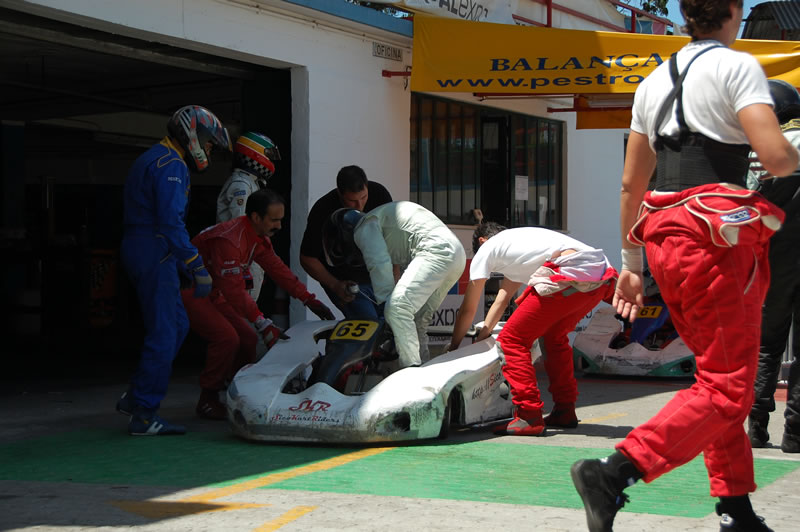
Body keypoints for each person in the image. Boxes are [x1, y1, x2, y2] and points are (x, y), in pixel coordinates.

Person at [570, 2, 800, 531]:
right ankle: (614, 471)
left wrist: (631, 263)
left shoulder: (653, 81)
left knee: (715, 384)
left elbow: (632, 184)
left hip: (665, 239)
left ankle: (736, 509)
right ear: (735, 12)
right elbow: (778, 155)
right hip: (715, 240)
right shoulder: (735, 66)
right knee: (727, 388)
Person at [117, 105, 231, 435]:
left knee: (178, 324)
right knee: (165, 333)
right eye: (210, 143)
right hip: (154, 249)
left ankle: (136, 397)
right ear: (194, 136)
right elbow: (170, 222)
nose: (209, 150)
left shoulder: (154, 156)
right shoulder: (172, 165)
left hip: (145, 247)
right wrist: (196, 265)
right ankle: (144, 415)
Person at [448, 222, 616, 436]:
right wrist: (484, 334)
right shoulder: (519, 245)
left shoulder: (488, 249)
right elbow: (502, 300)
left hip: (571, 270)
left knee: (512, 341)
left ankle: (529, 416)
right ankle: (565, 410)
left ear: (482, 241)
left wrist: (454, 347)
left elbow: (468, 309)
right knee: (554, 336)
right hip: (601, 276)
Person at [182, 188, 335, 419]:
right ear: (256, 217)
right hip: (190, 291)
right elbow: (234, 291)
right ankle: (208, 398)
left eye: (281, 219)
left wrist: (309, 299)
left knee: (248, 338)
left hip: (214, 292)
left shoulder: (256, 237)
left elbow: (277, 269)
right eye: (274, 220)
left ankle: (237, 393)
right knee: (227, 338)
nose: (279, 226)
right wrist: (263, 323)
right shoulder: (229, 240)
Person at [323, 201, 466, 368]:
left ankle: (411, 374)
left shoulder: (364, 227)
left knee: (397, 309)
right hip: (456, 254)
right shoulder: (383, 219)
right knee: (417, 318)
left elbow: (379, 262)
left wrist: (386, 305)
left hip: (435, 251)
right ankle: (425, 371)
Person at [747, 79, 800, 454]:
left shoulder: (761, 151)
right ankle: (795, 433)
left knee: (766, 344)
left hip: (773, 259)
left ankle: (755, 428)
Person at [300, 165, 392, 318]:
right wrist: (334, 285)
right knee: (368, 323)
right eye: (352, 200)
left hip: (379, 275)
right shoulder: (323, 209)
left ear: (367, 186)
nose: (360, 205)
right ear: (339, 193)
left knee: (394, 324)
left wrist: (394, 278)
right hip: (346, 282)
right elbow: (307, 258)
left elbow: (392, 239)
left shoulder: (380, 195)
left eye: (363, 197)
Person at [216, 132, 281, 303]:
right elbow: (242, 225)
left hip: (248, 258)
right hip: (239, 261)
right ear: (254, 154)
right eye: (269, 155)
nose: (271, 161)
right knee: (239, 315)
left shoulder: (251, 182)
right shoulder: (241, 184)